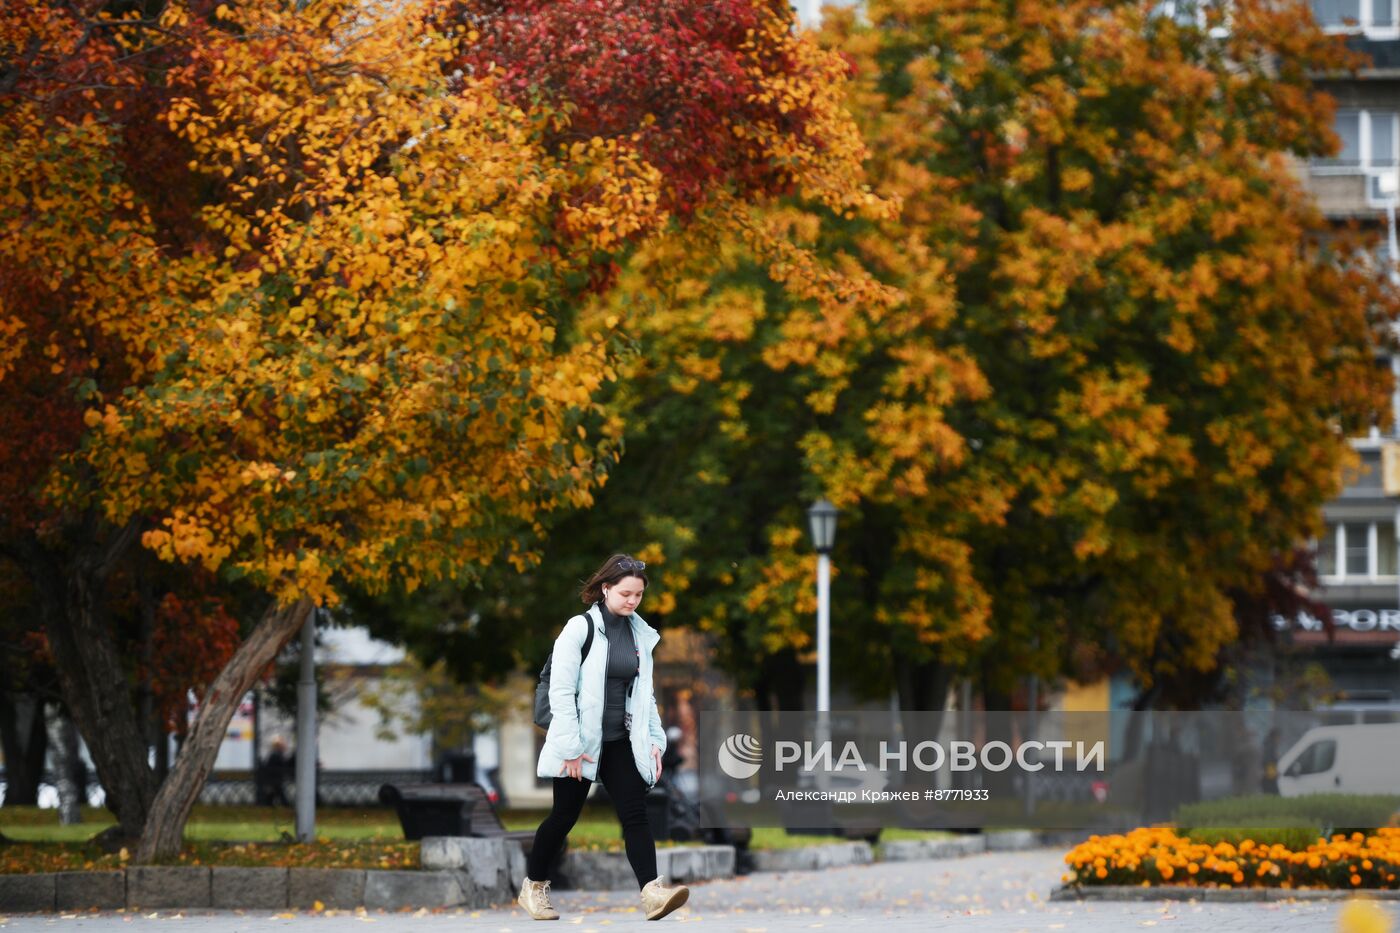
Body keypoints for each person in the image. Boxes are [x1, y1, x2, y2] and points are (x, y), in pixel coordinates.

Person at [518, 555, 689, 922]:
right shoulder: (579, 629)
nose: (632, 601)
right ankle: (534, 887)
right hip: (578, 741)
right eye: (625, 593)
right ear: (606, 588)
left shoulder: (639, 634)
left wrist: (655, 740)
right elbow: (560, 692)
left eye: (639, 595)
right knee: (564, 816)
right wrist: (571, 749)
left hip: (618, 741)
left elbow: (646, 695)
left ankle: (652, 893)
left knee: (635, 814)